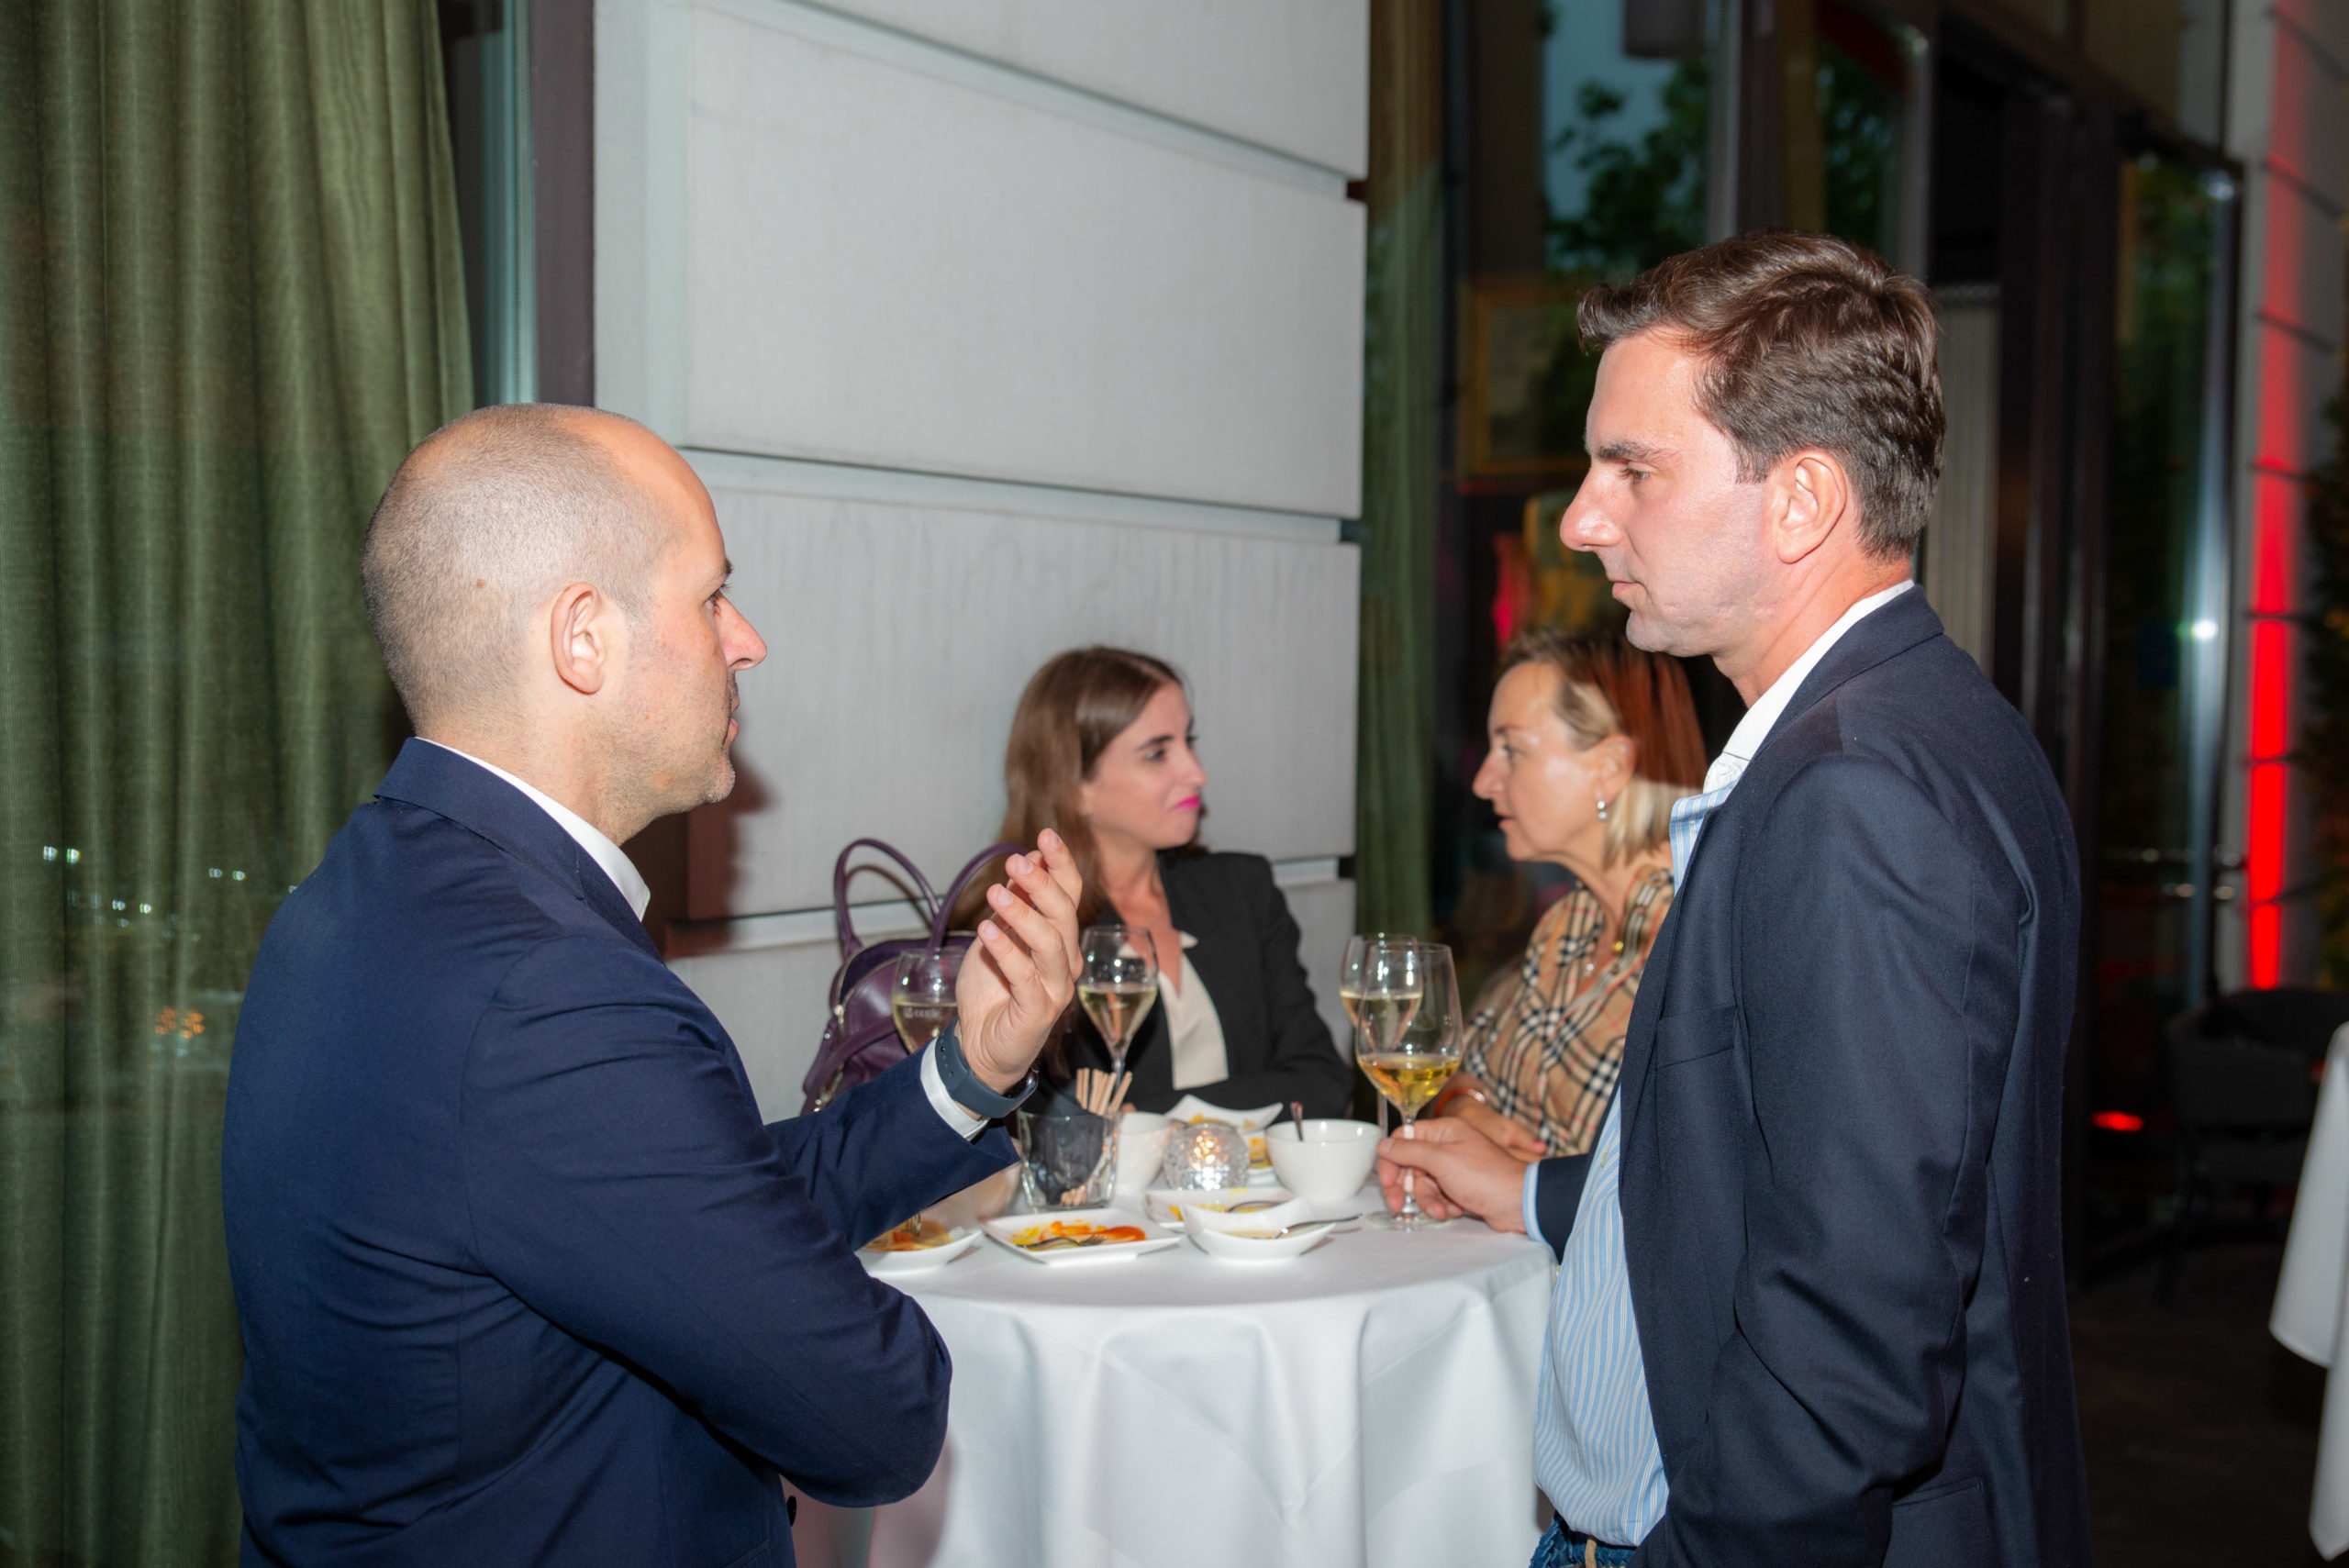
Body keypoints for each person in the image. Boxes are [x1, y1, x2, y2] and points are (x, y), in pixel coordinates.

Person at [221, 406, 1082, 1567]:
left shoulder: (355, 898)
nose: (748, 640)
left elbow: (674, 1215)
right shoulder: (550, 991)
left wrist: (969, 1068)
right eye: (712, 595)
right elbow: (873, 1414)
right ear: (584, 637)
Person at [1379, 231, 2090, 1566]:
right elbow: (1787, 1174)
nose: (1582, 518)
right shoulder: (1924, 722)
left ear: (1801, 500)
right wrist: (1535, 1195)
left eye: (1632, 469)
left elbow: (1851, 1333)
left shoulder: (1855, 790)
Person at [967, 646, 1353, 1118]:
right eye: (1157, 754)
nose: (1197, 773)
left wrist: (1155, 1120)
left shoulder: (1241, 890)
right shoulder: (1022, 929)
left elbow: (1322, 1080)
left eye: (1189, 741)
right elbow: (1036, 1122)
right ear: (1075, 787)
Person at [1430, 629, 1704, 1163]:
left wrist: (1522, 1189)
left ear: (1610, 768)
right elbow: (1461, 1066)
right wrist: (1464, 1107)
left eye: (1512, 750)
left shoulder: (1694, 949)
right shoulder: (1570, 923)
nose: (1483, 782)